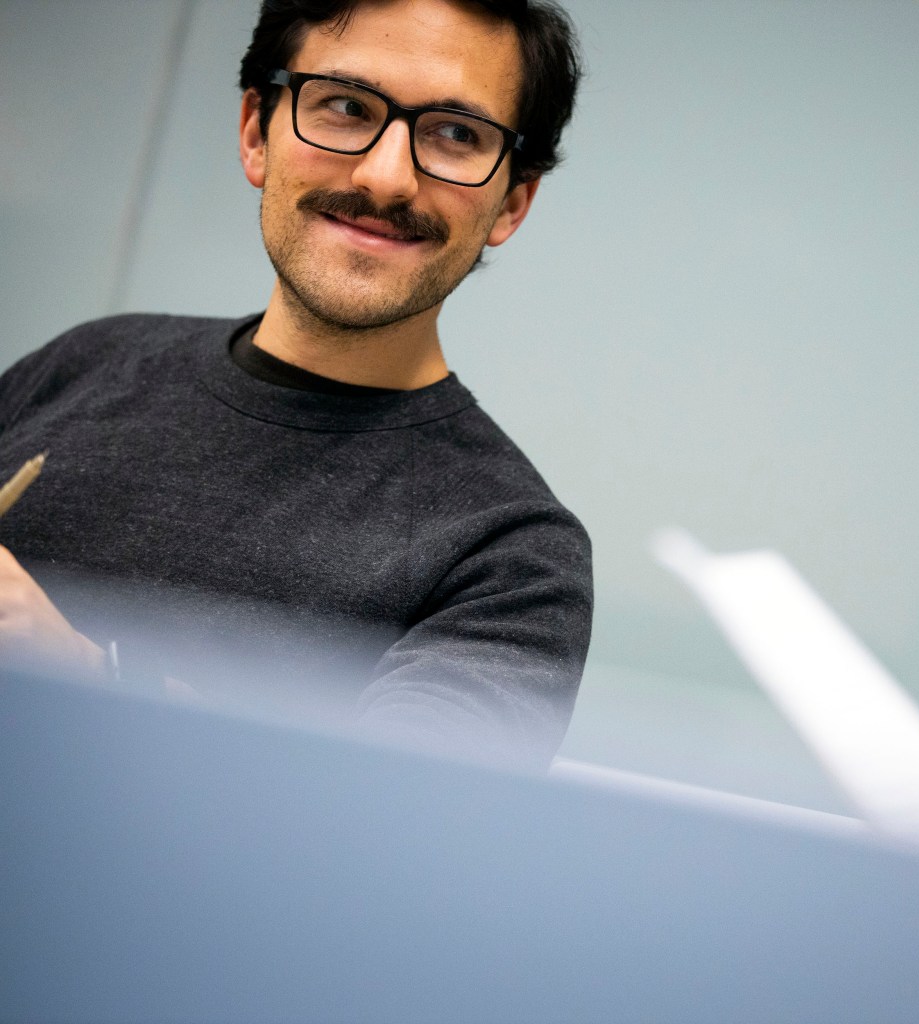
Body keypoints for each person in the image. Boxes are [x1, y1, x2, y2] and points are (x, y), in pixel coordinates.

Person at [0, 0, 591, 768]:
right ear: (257, 132)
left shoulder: (510, 557)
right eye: (345, 107)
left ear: (512, 200)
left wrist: (80, 676)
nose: (386, 176)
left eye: (455, 134)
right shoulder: (86, 362)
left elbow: (375, 852)